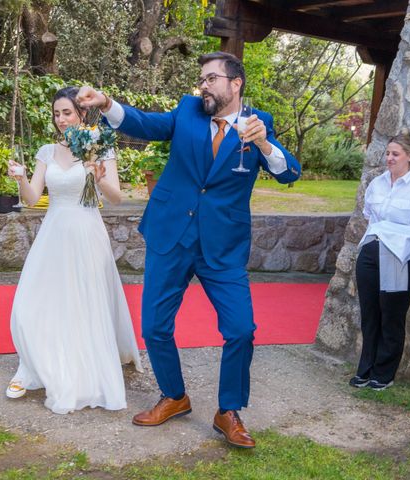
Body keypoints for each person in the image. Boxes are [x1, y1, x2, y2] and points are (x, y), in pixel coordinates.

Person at [77, 51, 301, 448]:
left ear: (236, 84)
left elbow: (289, 174)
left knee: (241, 329)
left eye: (212, 78)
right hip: (172, 234)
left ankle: (228, 410)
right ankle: (174, 396)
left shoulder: (257, 123)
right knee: (155, 327)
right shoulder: (187, 110)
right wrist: (108, 104)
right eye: (202, 78)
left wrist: (265, 145)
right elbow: (146, 124)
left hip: (223, 246)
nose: (204, 85)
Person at [5, 86, 142, 414]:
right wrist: (21, 177)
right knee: (30, 303)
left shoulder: (101, 146)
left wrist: (98, 175)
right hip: (53, 233)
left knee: (81, 301)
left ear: (81, 113)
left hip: (86, 232)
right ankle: (32, 366)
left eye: (66, 112)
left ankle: (78, 365)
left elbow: (116, 198)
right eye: (56, 114)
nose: (61, 119)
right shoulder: (47, 151)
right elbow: (31, 197)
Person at [349, 129, 410, 391]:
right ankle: (365, 369)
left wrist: (397, 237)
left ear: (409, 157)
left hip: (399, 257)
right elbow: (370, 217)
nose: (389, 158)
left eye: (395, 154)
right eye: (387, 153)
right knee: (369, 314)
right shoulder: (376, 184)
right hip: (370, 253)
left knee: (391, 316)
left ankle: (384, 373)